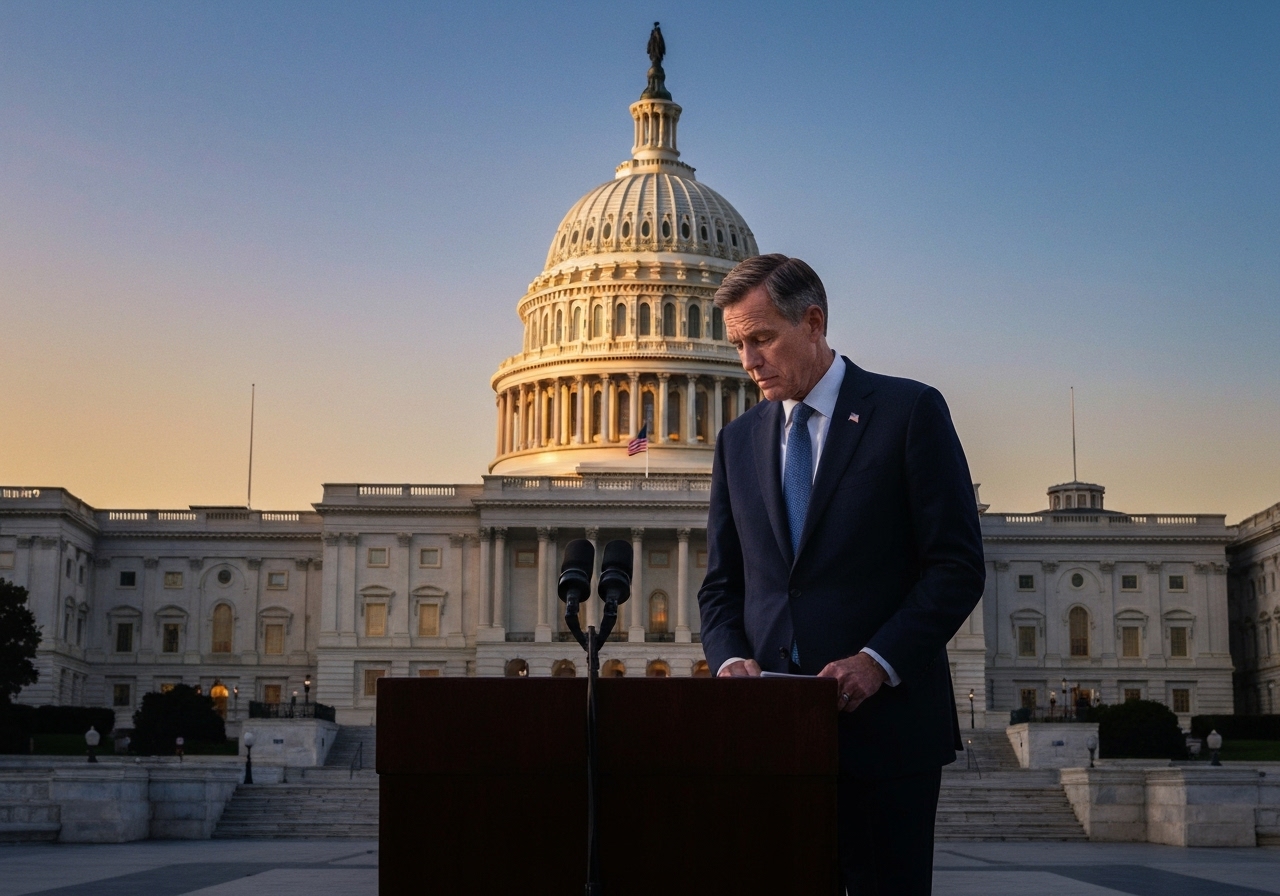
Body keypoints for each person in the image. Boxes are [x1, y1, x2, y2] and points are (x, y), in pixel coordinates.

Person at [697, 254, 985, 895]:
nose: (749, 361)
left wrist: (876, 661)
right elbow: (722, 586)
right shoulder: (737, 440)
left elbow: (957, 566)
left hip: (886, 734)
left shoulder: (909, 411)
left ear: (813, 322)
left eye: (762, 338)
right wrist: (729, 660)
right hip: (773, 740)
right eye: (739, 345)